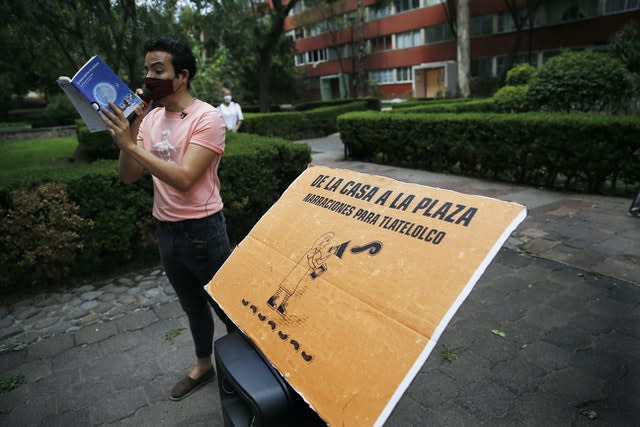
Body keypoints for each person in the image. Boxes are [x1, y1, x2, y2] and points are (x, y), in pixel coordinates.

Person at [100, 36, 235, 401]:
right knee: (192, 306)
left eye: (158, 70)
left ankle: (247, 371)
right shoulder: (150, 117)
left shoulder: (208, 117)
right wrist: (128, 138)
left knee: (228, 309)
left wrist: (131, 146)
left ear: (182, 76)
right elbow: (129, 175)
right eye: (146, 70)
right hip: (167, 231)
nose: (148, 77)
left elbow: (185, 177)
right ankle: (204, 364)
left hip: (205, 231)